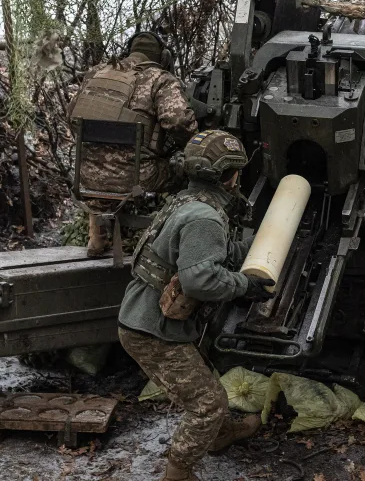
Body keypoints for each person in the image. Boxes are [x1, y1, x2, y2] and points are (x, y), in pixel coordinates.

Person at [117, 129, 274, 481]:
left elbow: (202, 253)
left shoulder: (186, 202)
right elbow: (199, 280)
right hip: (153, 329)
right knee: (207, 405)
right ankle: (178, 472)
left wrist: (246, 252)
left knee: (205, 375)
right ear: (231, 175)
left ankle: (220, 436)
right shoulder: (205, 217)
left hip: (146, 316)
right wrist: (245, 285)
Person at [67, 31, 197, 256]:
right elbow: (178, 122)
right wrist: (192, 145)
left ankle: (96, 237)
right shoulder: (159, 79)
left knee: (101, 162)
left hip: (85, 175)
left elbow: (72, 116)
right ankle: (171, 239)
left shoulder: (96, 73)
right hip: (138, 178)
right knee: (186, 169)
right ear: (162, 57)